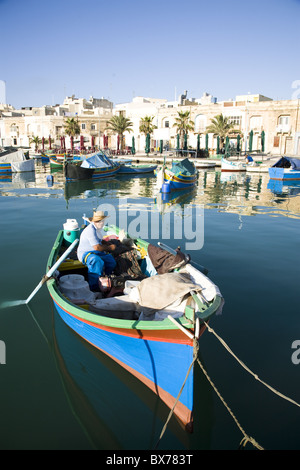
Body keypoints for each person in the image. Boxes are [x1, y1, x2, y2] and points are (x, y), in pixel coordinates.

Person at [77, 210, 116, 291]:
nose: (101, 223)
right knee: (96, 261)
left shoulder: (98, 229)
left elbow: (100, 240)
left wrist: (108, 243)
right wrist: (110, 248)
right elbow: (97, 247)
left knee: (111, 260)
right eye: (98, 221)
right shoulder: (90, 230)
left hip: (96, 252)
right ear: (94, 221)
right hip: (86, 254)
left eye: (102, 221)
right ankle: (94, 288)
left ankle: (106, 279)